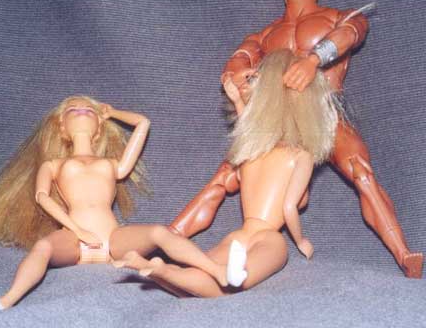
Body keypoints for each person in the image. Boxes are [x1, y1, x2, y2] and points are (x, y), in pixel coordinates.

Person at [169, 0, 423, 278]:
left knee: (360, 170)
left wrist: (314, 60)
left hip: (325, 112)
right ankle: (169, 240)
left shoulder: (339, 17)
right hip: (278, 118)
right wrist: (238, 76)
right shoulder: (266, 34)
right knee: (226, 174)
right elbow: (239, 59)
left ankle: (404, 253)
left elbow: (353, 31)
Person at [117, 50, 340, 297]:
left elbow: (247, 128)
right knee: (232, 284)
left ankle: (162, 271)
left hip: (240, 234)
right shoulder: (300, 156)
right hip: (269, 237)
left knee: (202, 275)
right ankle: (165, 272)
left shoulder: (251, 151)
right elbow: (289, 208)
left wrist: (237, 100)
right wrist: (301, 241)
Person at [0, 96, 227, 313]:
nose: (82, 111)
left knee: (160, 232)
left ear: (99, 127)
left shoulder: (112, 164)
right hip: (74, 241)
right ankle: (5, 301)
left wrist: (112, 113)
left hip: (113, 241)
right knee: (43, 247)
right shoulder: (53, 165)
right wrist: (77, 230)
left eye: (89, 110)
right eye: (73, 109)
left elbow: (143, 123)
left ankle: (217, 272)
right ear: (61, 126)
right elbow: (42, 197)